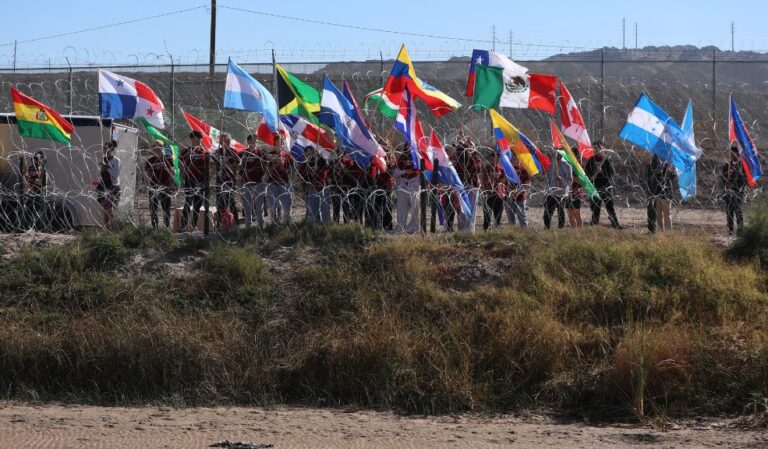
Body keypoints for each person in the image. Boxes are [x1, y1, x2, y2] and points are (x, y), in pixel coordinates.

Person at [585, 141, 620, 228]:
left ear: (602, 148)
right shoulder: (591, 160)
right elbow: (586, 174)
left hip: (606, 186)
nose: (597, 149)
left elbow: (611, 173)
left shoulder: (607, 160)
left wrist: (602, 171)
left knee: (609, 206)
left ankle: (615, 224)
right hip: (595, 186)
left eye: (599, 147)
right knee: (596, 207)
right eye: (595, 147)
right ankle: (594, 223)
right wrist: (592, 177)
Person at [454, 133, 482, 232]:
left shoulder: (476, 157)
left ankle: (469, 230)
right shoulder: (460, 157)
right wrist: (460, 140)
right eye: (465, 147)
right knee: (462, 209)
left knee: (471, 209)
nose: (466, 148)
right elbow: (459, 164)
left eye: (469, 147)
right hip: (462, 186)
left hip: (473, 185)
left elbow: (476, 169)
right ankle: (461, 230)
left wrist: (470, 154)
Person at [181, 131, 207, 231]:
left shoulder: (203, 151)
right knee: (187, 202)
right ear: (192, 138)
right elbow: (180, 161)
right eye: (197, 139)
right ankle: (183, 225)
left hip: (201, 181)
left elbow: (209, 164)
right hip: (189, 180)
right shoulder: (186, 151)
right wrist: (183, 171)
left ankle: (194, 226)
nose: (199, 141)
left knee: (197, 204)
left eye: (200, 139)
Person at [240, 135, 267, 229]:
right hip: (246, 183)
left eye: (256, 141)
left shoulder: (260, 152)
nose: (254, 142)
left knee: (259, 206)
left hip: (258, 183)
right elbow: (238, 165)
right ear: (248, 142)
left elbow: (266, 165)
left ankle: (261, 225)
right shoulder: (243, 153)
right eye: (252, 141)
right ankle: (248, 226)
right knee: (247, 207)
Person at [144, 140, 173, 229]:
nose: (157, 148)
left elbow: (172, 171)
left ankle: (166, 225)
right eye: (155, 146)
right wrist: (149, 180)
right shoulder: (150, 160)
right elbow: (147, 173)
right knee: (153, 208)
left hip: (165, 187)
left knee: (166, 208)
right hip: (154, 187)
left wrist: (172, 175)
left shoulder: (167, 158)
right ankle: (154, 226)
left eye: (159, 146)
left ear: (162, 148)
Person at [721, 144, 748, 235]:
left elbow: (744, 179)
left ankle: (740, 230)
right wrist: (726, 183)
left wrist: (735, 185)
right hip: (728, 192)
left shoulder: (742, 167)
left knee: (738, 211)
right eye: (730, 154)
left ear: (737, 154)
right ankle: (730, 229)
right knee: (729, 211)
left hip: (738, 192)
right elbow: (722, 178)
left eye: (733, 154)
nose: (732, 156)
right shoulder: (727, 165)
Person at [265, 136, 292, 225]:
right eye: (279, 142)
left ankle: (286, 223)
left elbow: (291, 170)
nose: (281, 143)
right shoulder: (270, 155)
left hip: (284, 183)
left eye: (282, 142)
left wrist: (284, 168)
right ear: (275, 143)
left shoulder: (287, 155)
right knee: (273, 206)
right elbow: (268, 170)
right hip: (272, 183)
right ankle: (275, 224)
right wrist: (277, 164)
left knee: (287, 206)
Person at [393, 144, 420, 233]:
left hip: (414, 183)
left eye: (411, 146)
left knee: (415, 207)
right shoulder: (402, 158)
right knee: (401, 206)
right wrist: (405, 171)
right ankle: (400, 226)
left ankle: (412, 227)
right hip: (403, 183)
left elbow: (422, 170)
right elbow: (396, 172)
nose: (409, 148)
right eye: (407, 146)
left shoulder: (417, 157)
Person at [646, 155, 676, 233]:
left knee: (667, 216)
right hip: (657, 193)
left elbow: (672, 177)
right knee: (658, 216)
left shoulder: (669, 164)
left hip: (666, 195)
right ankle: (661, 233)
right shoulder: (655, 164)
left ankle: (669, 233)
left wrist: (669, 169)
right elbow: (654, 175)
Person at [216, 133, 241, 229]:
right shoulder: (218, 152)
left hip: (230, 180)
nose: (226, 142)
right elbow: (212, 165)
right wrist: (217, 168)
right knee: (220, 203)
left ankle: (236, 223)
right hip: (220, 181)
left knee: (231, 202)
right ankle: (221, 223)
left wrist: (230, 166)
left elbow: (239, 164)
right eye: (223, 141)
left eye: (227, 141)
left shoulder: (233, 152)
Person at [96, 140, 121, 230]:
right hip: (104, 186)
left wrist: (106, 166)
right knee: (105, 209)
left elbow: (115, 175)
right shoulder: (103, 159)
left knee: (110, 210)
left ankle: (113, 227)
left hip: (113, 186)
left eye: (106, 148)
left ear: (111, 149)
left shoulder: (116, 161)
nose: (104, 149)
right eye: (103, 148)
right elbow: (101, 174)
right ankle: (106, 228)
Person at [23, 151, 46, 230]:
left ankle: (38, 227)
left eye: (36, 158)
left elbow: (41, 180)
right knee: (30, 209)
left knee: (38, 210)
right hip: (32, 190)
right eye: (34, 158)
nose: (34, 160)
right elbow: (28, 177)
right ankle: (28, 227)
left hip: (39, 191)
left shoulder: (42, 168)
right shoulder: (31, 168)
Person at [505, 155, 530, 227]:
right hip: (509, 196)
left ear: (519, 159)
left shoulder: (524, 170)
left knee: (521, 214)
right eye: (513, 158)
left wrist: (517, 192)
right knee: (510, 215)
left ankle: (524, 230)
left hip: (521, 196)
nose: (514, 160)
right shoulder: (508, 170)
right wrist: (510, 191)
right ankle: (512, 232)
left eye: (516, 158)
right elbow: (504, 182)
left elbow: (527, 184)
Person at [482, 152, 505, 230]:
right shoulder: (487, 168)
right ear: (491, 158)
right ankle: (486, 230)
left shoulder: (502, 168)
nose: (496, 159)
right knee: (487, 214)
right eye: (494, 157)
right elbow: (483, 181)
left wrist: (502, 181)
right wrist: (489, 180)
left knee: (498, 214)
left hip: (499, 194)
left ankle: (497, 229)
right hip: (489, 194)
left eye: (497, 157)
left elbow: (504, 181)